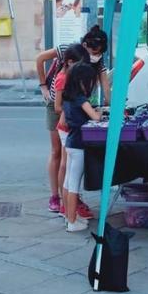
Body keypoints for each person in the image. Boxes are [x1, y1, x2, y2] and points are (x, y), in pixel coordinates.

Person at [35, 26, 111, 214]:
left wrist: (111, 105)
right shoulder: (66, 52)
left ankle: (71, 200)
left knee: (69, 159)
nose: (96, 56)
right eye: (93, 52)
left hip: (76, 109)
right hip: (59, 107)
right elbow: (40, 59)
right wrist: (43, 86)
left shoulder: (97, 61)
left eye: (99, 53)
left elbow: (106, 86)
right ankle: (58, 197)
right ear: (85, 45)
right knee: (58, 154)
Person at [61, 62, 102, 232]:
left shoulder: (67, 96)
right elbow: (96, 118)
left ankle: (70, 217)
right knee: (74, 185)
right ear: (83, 81)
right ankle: (72, 221)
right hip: (79, 145)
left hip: (71, 142)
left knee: (68, 182)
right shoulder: (81, 99)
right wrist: (98, 112)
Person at [53, 44, 89, 219]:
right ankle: (68, 210)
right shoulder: (63, 78)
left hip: (70, 126)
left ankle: (69, 210)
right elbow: (57, 106)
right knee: (68, 170)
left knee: (70, 172)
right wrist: (76, 109)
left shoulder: (71, 77)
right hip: (67, 128)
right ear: (70, 62)